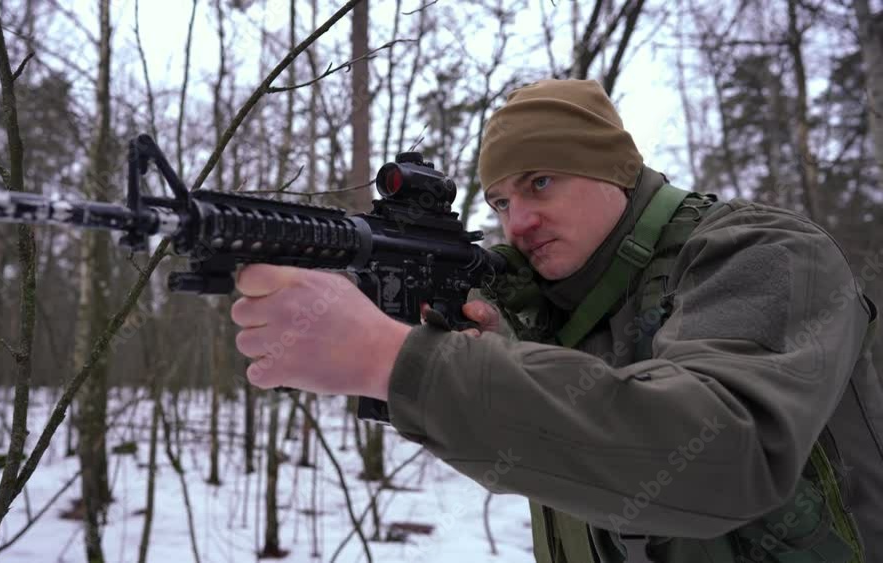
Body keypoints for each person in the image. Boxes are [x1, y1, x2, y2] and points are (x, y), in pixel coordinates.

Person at [231, 79, 882, 562]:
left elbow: (727, 454)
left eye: (540, 182)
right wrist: (475, 372)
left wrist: (392, 358)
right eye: (500, 200)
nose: (517, 222)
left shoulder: (763, 251)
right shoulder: (554, 302)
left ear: (615, 174)